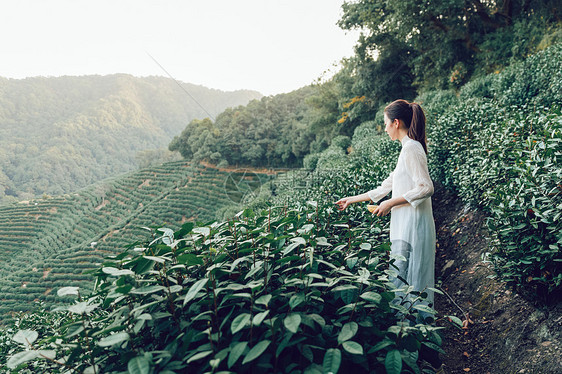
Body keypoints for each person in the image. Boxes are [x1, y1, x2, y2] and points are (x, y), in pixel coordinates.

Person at [335, 99, 436, 318]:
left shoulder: (411, 148)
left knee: (412, 277)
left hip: (413, 225)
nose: (385, 128)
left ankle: (416, 334)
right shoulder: (406, 150)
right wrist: (351, 199)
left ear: (396, 123)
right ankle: (407, 331)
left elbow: (426, 187)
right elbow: (385, 187)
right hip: (405, 224)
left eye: (386, 123)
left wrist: (390, 203)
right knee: (403, 276)